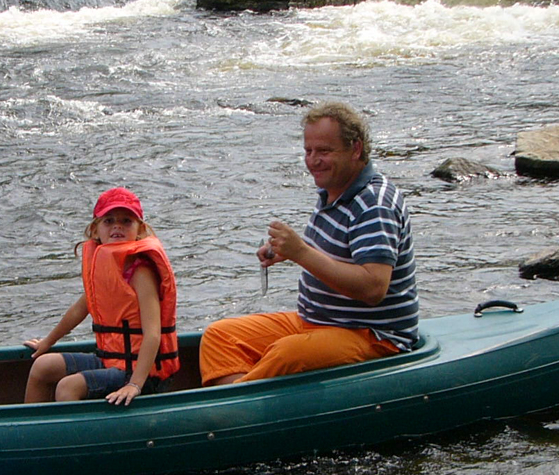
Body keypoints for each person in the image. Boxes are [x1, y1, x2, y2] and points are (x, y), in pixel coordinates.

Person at [199, 102, 418, 385]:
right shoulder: (334, 190)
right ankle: (244, 401)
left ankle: (234, 403)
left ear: (356, 149)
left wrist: (301, 252)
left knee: (287, 353)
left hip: (373, 335)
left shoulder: (374, 204)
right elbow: (337, 255)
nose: (313, 161)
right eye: (308, 151)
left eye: (324, 151)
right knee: (220, 336)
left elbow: (373, 287)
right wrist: (287, 252)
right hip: (316, 321)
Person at [23, 187, 180, 406]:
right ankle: (33, 425)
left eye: (126, 221)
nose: (117, 226)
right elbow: (79, 310)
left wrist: (135, 384)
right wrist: (47, 342)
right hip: (110, 361)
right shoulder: (104, 269)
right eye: (109, 221)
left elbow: (152, 335)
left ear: (140, 229)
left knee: (68, 387)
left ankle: (75, 430)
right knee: (42, 366)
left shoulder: (141, 273)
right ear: (95, 230)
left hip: (140, 373)